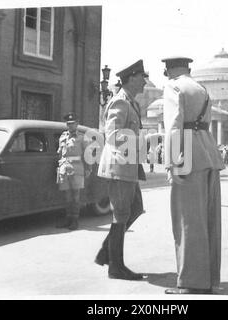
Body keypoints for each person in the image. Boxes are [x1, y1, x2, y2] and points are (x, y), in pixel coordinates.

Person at [161, 56, 225, 294]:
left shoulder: (173, 86)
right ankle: (209, 280)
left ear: (169, 71)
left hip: (187, 155)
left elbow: (174, 126)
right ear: (188, 68)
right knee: (209, 220)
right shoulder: (201, 88)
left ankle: (190, 282)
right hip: (209, 152)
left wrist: (171, 164)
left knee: (187, 220)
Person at [96, 60, 148, 280]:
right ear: (132, 78)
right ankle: (115, 267)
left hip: (127, 166)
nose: (144, 82)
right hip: (119, 165)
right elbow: (113, 135)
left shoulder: (131, 102)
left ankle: (106, 252)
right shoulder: (121, 102)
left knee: (135, 208)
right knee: (121, 214)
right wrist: (138, 142)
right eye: (141, 78)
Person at [56, 112, 92, 230]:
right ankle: (68, 219)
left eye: (73, 123)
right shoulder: (63, 136)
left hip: (77, 169)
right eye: (68, 123)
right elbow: (60, 153)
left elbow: (88, 155)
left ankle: (75, 220)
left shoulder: (81, 137)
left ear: (77, 124)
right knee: (67, 196)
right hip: (64, 168)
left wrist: (88, 168)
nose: (70, 125)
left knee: (76, 196)